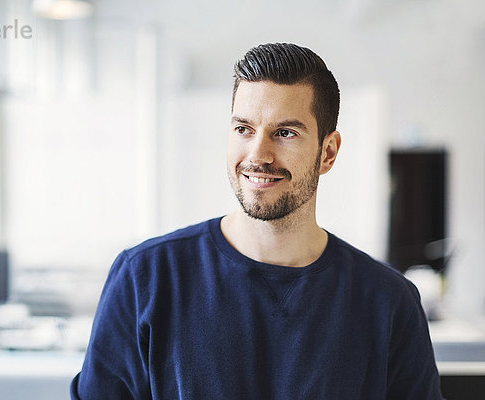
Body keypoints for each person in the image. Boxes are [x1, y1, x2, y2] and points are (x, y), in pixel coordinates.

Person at [70, 42, 442, 399]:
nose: (258, 154)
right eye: (243, 129)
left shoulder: (388, 301)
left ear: (328, 153)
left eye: (285, 133)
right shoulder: (145, 278)